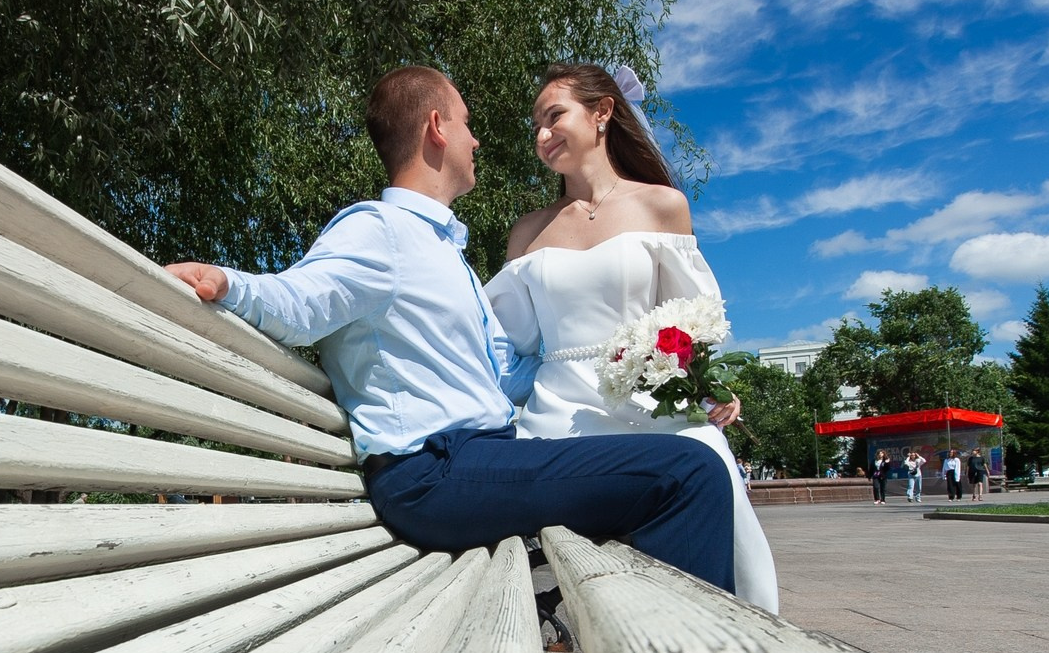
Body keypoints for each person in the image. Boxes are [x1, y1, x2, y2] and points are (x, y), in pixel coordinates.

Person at [165, 66, 737, 592]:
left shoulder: (445, 253)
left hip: (477, 461)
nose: (477, 140)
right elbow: (301, 301)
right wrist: (227, 282)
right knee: (687, 474)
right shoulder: (380, 230)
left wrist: (633, 362)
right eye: (467, 124)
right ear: (437, 127)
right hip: (434, 472)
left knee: (675, 464)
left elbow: (508, 373)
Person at [480, 63, 779, 612]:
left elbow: (692, 320)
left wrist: (708, 384)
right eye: (535, 127)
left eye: (554, 117)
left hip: (652, 403)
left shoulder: (662, 205)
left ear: (602, 113)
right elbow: (509, 344)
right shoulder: (528, 232)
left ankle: (724, 626)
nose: (542, 136)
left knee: (707, 455)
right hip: (559, 412)